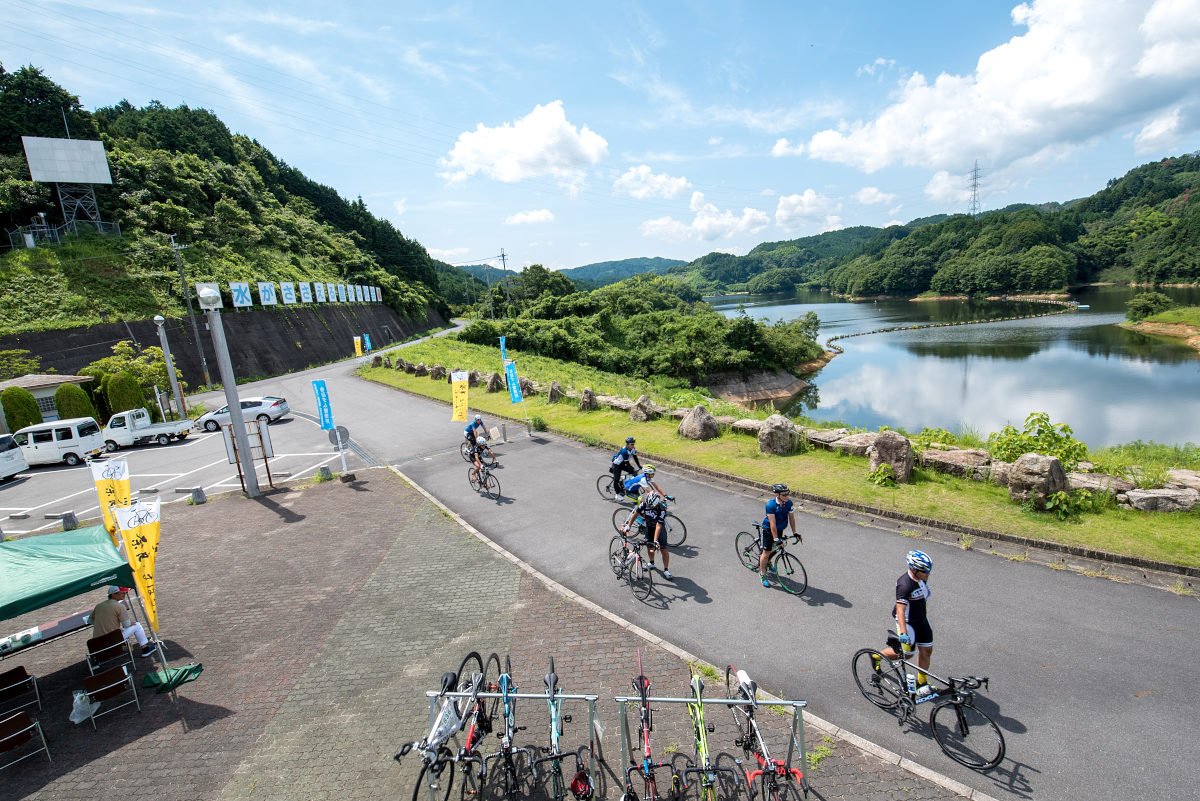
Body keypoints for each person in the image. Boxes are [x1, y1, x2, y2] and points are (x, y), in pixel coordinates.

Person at [879, 550, 936, 698]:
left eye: (929, 570)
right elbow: (900, 610)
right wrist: (903, 633)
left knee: (926, 650)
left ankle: (922, 682)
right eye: (924, 571)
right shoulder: (904, 584)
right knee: (907, 654)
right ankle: (877, 656)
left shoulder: (922, 579)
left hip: (921, 619)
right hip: (908, 622)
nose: (928, 573)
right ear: (914, 569)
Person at [91, 586, 157, 658]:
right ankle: (145, 648)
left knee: (125, 628)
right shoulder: (120, 606)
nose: (124, 594)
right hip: (113, 639)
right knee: (137, 625)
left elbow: (90, 621)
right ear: (113, 595)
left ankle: (96, 662)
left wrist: (104, 623)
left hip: (97, 643)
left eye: (125, 593)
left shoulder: (98, 606)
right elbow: (126, 624)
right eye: (122, 593)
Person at [622, 490, 673, 580]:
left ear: (656, 502)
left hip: (659, 531)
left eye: (652, 506)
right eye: (649, 505)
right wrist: (629, 526)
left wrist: (656, 540)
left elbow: (659, 525)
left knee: (663, 549)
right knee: (649, 548)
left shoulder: (662, 509)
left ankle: (666, 570)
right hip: (649, 528)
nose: (650, 507)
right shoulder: (645, 504)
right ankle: (652, 563)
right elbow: (636, 513)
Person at [760, 483, 800, 588]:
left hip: (780, 528)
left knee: (778, 547)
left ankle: (768, 561)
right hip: (769, 529)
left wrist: (795, 532)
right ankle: (763, 574)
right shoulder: (770, 505)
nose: (787, 497)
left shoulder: (789, 503)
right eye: (784, 495)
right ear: (777, 495)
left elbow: (791, 518)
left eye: (788, 494)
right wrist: (776, 539)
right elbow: (772, 524)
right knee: (766, 552)